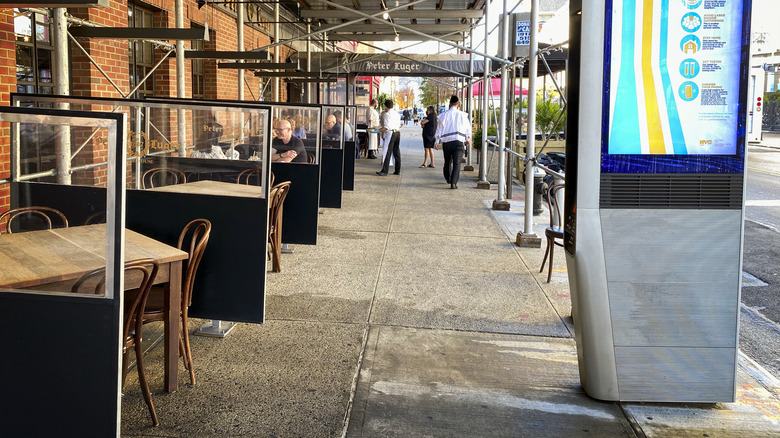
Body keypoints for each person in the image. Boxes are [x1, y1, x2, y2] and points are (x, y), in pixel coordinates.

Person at [435, 95, 472, 189]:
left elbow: (439, 129)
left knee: (447, 161)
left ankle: (448, 178)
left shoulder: (443, 115)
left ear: (450, 104)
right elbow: (468, 129)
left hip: (447, 142)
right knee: (457, 162)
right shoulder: (463, 115)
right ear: (458, 104)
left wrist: (437, 141)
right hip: (459, 141)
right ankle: (454, 182)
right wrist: (467, 139)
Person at [376, 99, 401, 176]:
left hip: (390, 133)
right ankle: (397, 169)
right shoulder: (397, 114)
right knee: (396, 152)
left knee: (387, 151)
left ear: (386, 106)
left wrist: (378, 130)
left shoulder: (387, 115)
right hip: (397, 132)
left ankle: (385, 170)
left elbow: (386, 127)